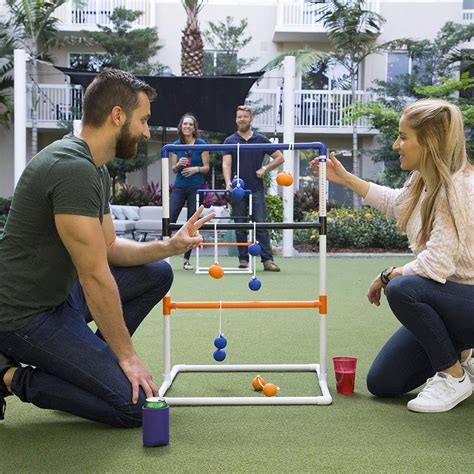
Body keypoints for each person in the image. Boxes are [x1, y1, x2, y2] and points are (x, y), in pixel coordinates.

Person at [0, 69, 215, 427]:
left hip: (58, 298)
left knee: (157, 273)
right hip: (20, 314)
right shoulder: (72, 168)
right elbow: (95, 276)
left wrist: (170, 246)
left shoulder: (94, 166)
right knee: (135, 408)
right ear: (118, 116)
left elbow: (111, 247)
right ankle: (8, 377)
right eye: (143, 120)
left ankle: (89, 371)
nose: (147, 131)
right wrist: (126, 356)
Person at [311, 98, 474, 413]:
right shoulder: (423, 180)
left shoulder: (460, 189)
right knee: (383, 383)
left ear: (429, 142)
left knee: (403, 289)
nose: (397, 144)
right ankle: (464, 355)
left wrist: (388, 275)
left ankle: (454, 376)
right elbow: (397, 203)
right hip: (452, 303)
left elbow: (436, 264)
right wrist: (345, 179)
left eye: (404, 137)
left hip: (466, 300)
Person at [222, 105, 284, 272]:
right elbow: (226, 163)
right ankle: (243, 259)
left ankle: (267, 260)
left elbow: (279, 157)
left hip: (256, 188)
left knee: (261, 224)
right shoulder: (230, 141)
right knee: (240, 224)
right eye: (239, 117)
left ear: (251, 119)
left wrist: (264, 169)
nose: (242, 119)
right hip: (237, 190)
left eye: (245, 117)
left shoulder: (261, 139)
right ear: (236, 119)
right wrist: (228, 182)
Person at [170, 113, 210, 270]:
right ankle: (163, 254)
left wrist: (196, 169)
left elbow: (207, 168)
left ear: (194, 128)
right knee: (170, 218)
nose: (187, 126)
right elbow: (173, 170)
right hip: (179, 186)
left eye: (190, 124)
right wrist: (179, 164)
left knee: (191, 222)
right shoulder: (175, 145)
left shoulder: (201, 144)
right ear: (181, 126)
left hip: (196, 187)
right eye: (184, 124)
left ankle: (187, 259)